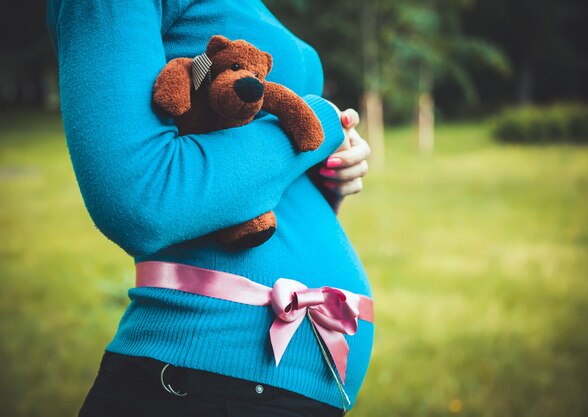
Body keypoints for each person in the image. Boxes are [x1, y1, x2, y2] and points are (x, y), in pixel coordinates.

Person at [47, 0, 373, 415]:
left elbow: (249, 187)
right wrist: (324, 122)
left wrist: (327, 177)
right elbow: (143, 199)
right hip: (205, 380)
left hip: (276, 389)